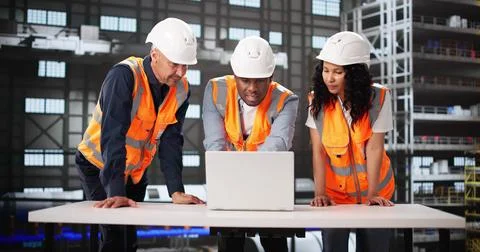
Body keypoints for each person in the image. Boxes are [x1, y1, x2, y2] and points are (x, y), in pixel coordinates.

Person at [75, 17, 204, 252]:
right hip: (99, 165)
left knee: (130, 239)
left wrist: (176, 190)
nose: (181, 72)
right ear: (155, 54)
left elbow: (172, 141)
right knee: (114, 235)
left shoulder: (182, 89)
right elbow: (113, 134)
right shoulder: (124, 76)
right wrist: (116, 192)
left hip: (134, 172)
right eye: (175, 64)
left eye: (186, 65)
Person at [202, 36, 299, 252]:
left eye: (260, 80)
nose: (252, 88)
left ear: (271, 77)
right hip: (228, 184)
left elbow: (277, 146)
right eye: (245, 80)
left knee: (275, 244)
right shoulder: (216, 90)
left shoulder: (287, 100)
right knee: (230, 245)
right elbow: (215, 145)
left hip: (270, 186)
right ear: (235, 76)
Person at [306, 31, 395, 252]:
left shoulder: (379, 98)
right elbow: (318, 151)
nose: (330, 78)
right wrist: (320, 194)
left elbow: (375, 148)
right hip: (335, 196)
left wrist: (373, 193)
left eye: (338, 72)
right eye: (326, 70)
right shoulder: (317, 102)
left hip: (376, 191)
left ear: (355, 73)